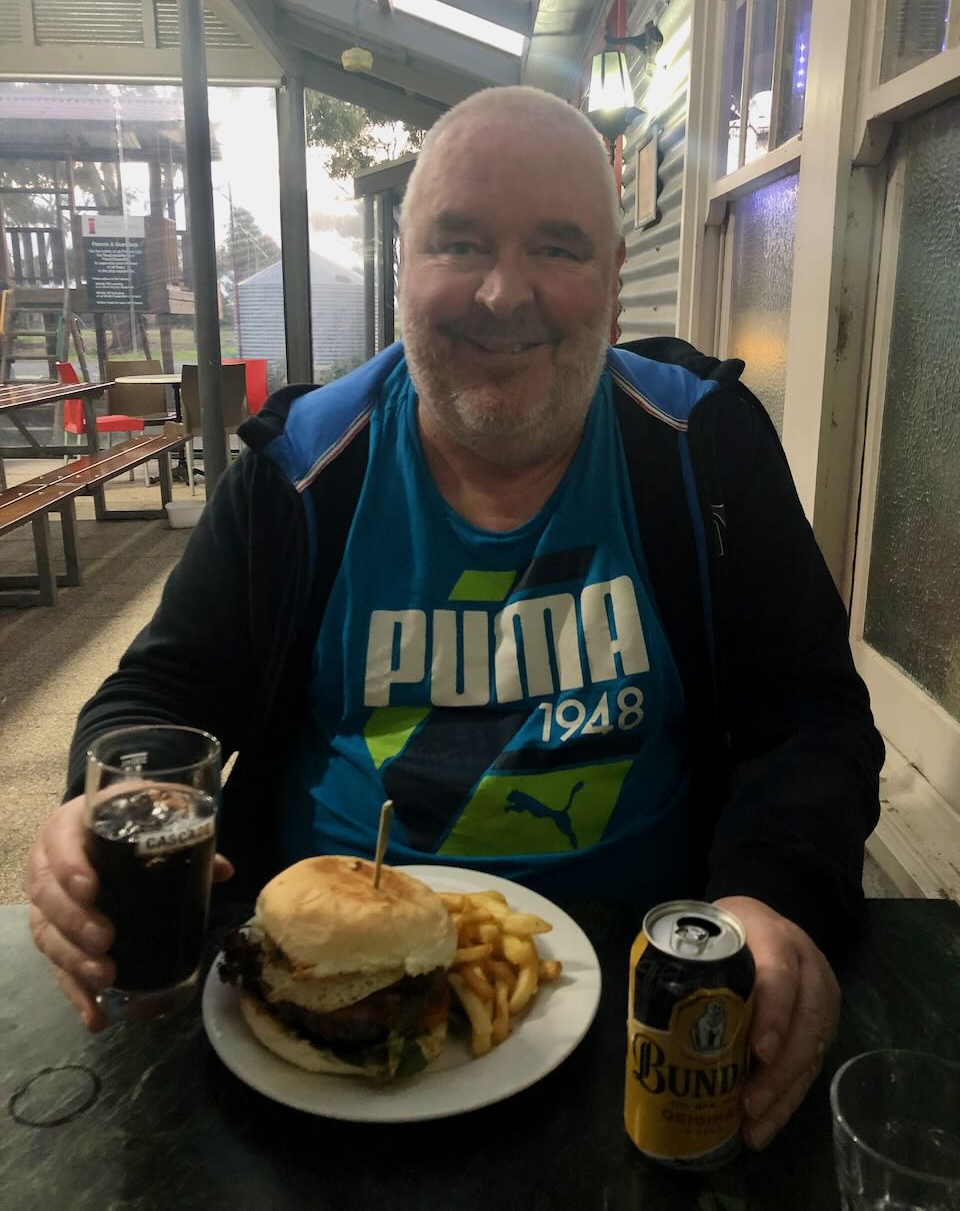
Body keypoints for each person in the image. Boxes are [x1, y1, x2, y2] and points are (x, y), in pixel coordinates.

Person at [26, 86, 883, 1152]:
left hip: (648, 1017)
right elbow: (159, 696)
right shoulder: (301, 473)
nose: (502, 292)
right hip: (304, 1021)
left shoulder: (704, 450)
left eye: (557, 247)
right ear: (403, 269)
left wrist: (776, 895)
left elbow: (811, 716)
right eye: (461, 242)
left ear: (616, 280)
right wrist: (116, 805)